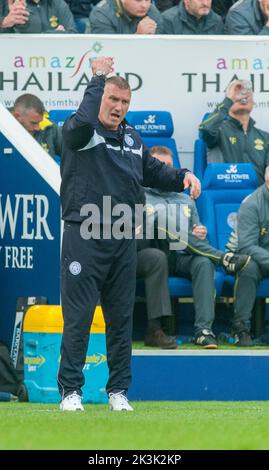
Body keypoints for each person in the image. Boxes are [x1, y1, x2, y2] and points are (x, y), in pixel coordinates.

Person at [58, 56, 201, 412]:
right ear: (98, 98)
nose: (119, 108)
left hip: (124, 234)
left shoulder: (133, 137)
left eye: (124, 102)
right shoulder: (83, 132)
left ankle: (118, 391)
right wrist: (98, 78)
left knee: (120, 320)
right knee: (79, 318)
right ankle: (71, 392)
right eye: (112, 100)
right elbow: (78, 125)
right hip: (86, 230)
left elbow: (153, 171)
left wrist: (181, 174)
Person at [146, 146, 251, 349]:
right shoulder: (140, 194)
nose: (164, 170)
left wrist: (198, 231)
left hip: (185, 255)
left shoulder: (185, 198)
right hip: (157, 255)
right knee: (163, 220)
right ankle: (223, 258)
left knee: (203, 262)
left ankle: (203, 331)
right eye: (158, 165)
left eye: (168, 166)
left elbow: (196, 230)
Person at [226, 167, 269, 346]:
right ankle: (240, 326)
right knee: (249, 266)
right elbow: (247, 246)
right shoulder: (252, 204)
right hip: (242, 255)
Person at [199, 79, 269, 186]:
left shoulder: (265, 137)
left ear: (253, 102)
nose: (242, 97)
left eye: (247, 94)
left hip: (257, 197)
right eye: (236, 93)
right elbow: (205, 129)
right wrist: (229, 99)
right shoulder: (218, 130)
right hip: (228, 193)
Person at [136, 239, 177, 349]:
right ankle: (95, 330)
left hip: (130, 254)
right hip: (102, 253)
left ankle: (154, 330)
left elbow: (144, 239)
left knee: (156, 257)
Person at [11, 93, 62, 160]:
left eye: (40, 122)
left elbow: (72, 155)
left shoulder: (50, 128)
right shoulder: (3, 131)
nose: (38, 128)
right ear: (16, 116)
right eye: (33, 123)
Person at [88, 0, 163, 34]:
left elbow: (159, 47)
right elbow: (107, 51)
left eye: (147, 0)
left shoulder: (151, 10)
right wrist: (138, 37)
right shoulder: (101, 14)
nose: (144, 5)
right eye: (138, 0)